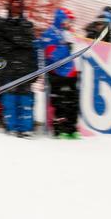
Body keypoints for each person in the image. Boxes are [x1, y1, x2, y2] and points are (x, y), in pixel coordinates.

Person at [0, 0, 38, 137]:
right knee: (10, 98)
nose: (16, 10)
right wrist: (16, 43)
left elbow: (31, 45)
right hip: (8, 67)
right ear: (9, 8)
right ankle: (11, 126)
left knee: (25, 98)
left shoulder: (27, 25)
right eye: (13, 7)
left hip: (25, 67)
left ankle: (25, 127)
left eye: (18, 7)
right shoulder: (1, 24)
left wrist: (34, 68)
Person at [40, 8, 80, 139]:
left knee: (72, 101)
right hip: (57, 73)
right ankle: (60, 127)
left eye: (71, 21)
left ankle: (71, 127)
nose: (70, 24)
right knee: (60, 102)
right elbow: (52, 55)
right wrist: (66, 47)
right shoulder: (50, 33)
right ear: (60, 19)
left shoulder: (68, 33)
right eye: (68, 21)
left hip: (71, 73)